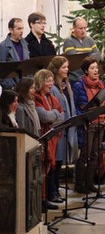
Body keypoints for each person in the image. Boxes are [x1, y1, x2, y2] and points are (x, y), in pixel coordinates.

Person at [72, 56, 105, 194]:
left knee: (95, 155)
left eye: (97, 68)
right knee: (84, 155)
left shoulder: (101, 85)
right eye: (92, 68)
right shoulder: (78, 86)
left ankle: (89, 183)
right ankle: (79, 184)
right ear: (86, 70)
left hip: (100, 124)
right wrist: (83, 118)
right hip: (87, 125)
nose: (96, 70)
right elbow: (75, 106)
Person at [47, 56, 79, 200]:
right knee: (54, 162)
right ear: (56, 69)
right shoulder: (53, 88)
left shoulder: (66, 84)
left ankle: (55, 189)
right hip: (58, 129)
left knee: (60, 162)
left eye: (67, 67)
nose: (67, 70)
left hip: (67, 127)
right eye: (64, 67)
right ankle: (51, 192)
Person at [34, 69, 64, 210]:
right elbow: (44, 117)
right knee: (42, 171)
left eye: (52, 80)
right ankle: (41, 200)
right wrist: (55, 114)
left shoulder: (51, 97)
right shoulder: (36, 98)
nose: (51, 84)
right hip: (42, 138)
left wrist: (54, 115)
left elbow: (62, 115)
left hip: (52, 137)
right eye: (48, 81)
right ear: (41, 81)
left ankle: (46, 198)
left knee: (48, 170)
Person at [63, 17, 102, 83]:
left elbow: (98, 56)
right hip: (75, 78)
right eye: (80, 28)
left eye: (85, 28)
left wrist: (82, 55)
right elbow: (74, 59)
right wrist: (90, 55)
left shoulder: (90, 40)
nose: (83, 31)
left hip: (89, 77)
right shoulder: (69, 41)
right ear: (74, 28)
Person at [0, 18, 30, 89]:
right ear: (11, 30)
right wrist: (11, 87)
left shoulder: (25, 44)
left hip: (25, 87)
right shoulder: (3, 46)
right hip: (12, 89)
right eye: (18, 29)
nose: (21, 31)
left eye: (22, 28)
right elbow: (1, 71)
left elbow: (28, 66)